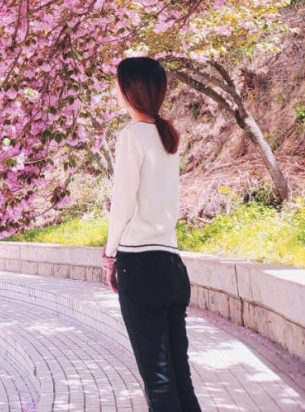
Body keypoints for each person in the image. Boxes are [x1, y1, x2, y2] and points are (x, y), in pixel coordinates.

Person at [101, 56, 202, 412]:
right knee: (178, 376)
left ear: (130, 90)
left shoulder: (132, 135)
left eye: (118, 84)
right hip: (172, 268)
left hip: (140, 267)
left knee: (158, 381)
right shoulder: (167, 135)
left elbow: (123, 202)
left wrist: (110, 255)